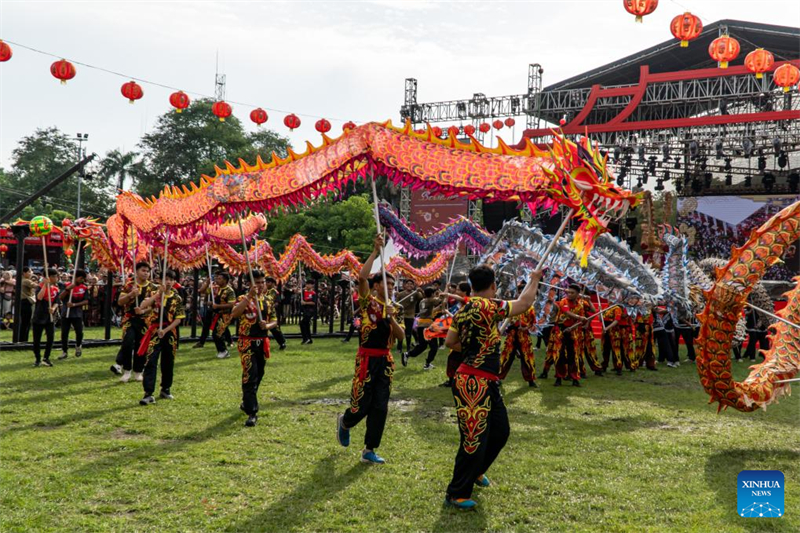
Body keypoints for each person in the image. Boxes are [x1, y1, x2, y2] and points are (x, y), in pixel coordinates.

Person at [443, 264, 541, 510]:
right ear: (493, 285)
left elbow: (450, 342)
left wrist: (476, 347)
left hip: (483, 379)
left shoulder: (462, 310)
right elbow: (524, 303)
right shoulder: (490, 306)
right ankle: (456, 493)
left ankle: (476, 471)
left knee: (500, 430)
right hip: (473, 382)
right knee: (473, 438)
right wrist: (535, 279)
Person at [336, 234, 404, 465]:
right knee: (362, 405)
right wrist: (375, 251)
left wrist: (392, 318)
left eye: (393, 285)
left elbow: (401, 336)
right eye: (387, 283)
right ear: (376, 286)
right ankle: (345, 422)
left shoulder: (394, 308)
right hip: (366, 360)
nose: (391, 287)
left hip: (385, 362)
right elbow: (362, 277)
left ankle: (369, 449)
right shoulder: (368, 303)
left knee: (380, 407)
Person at [230, 270, 278, 427]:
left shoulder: (268, 300)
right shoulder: (242, 299)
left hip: (262, 342)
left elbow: (274, 320)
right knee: (250, 375)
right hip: (247, 343)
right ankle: (252, 412)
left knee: (259, 374)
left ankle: (247, 402)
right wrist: (249, 297)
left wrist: (267, 326)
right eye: (257, 282)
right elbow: (234, 314)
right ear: (249, 284)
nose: (261, 285)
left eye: (262, 282)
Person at [137, 269, 185, 405]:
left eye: (170, 279)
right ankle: (148, 393)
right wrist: (158, 294)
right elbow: (143, 305)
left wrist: (165, 330)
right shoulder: (154, 294)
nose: (168, 282)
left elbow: (178, 319)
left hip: (169, 332)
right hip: (154, 332)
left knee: (168, 362)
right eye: (165, 279)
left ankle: (165, 388)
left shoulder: (177, 298)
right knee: (151, 361)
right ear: (159, 281)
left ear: (174, 282)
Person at [111, 262, 157, 382]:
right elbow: (120, 302)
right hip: (130, 319)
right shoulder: (129, 285)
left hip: (145, 321)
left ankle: (138, 371)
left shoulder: (152, 287)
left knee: (141, 346)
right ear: (136, 271)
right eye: (143, 270)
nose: (146, 273)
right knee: (127, 342)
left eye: (147, 271)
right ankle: (127, 370)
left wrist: (143, 311)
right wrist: (131, 294)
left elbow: (154, 306)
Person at [546, 284, 588, 387]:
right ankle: (559, 378)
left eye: (572, 293)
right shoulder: (563, 301)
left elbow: (580, 322)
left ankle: (574, 378)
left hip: (572, 331)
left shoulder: (580, 305)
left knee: (573, 355)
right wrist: (580, 317)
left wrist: (575, 326)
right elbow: (567, 312)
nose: (569, 294)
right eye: (568, 292)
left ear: (578, 294)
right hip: (560, 331)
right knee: (559, 354)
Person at [498, 283, 539, 388]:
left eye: (523, 293)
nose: (521, 294)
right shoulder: (512, 306)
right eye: (519, 292)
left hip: (524, 336)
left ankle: (531, 380)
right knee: (506, 356)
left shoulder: (530, 308)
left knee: (527, 357)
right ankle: (498, 378)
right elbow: (505, 318)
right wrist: (510, 322)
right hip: (512, 335)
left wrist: (525, 328)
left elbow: (532, 323)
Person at [440, 281, 471, 388]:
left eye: (458, 289)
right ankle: (454, 380)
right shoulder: (461, 305)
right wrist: (447, 311)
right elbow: (456, 318)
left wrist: (448, 294)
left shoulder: (469, 301)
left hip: (465, 335)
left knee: (456, 358)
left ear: (465, 292)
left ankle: (455, 380)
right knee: (454, 358)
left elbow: (462, 299)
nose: (456, 291)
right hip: (459, 334)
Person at [402, 286, 441, 369]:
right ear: (432, 294)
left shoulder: (422, 301)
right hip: (428, 327)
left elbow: (430, 310)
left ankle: (408, 354)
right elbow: (440, 300)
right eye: (434, 293)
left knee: (422, 346)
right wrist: (446, 290)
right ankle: (427, 364)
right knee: (434, 347)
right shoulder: (431, 300)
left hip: (421, 326)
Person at [58, 269, 88, 360]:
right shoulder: (66, 285)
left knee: (79, 332)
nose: (82, 280)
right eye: (81, 278)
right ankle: (64, 351)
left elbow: (86, 301)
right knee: (64, 333)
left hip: (77, 313)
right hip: (65, 313)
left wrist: (74, 304)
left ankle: (78, 346)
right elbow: (60, 297)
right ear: (76, 277)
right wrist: (67, 289)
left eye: (83, 278)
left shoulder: (84, 287)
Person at [32, 268, 60, 367]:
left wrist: (53, 308)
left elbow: (57, 301)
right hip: (39, 316)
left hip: (49, 317)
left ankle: (46, 358)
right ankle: (37, 359)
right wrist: (45, 285)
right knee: (37, 340)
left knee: (50, 338)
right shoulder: (39, 287)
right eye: (55, 276)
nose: (56, 278)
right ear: (49, 277)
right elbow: (39, 297)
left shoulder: (56, 289)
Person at [602, 304, 634, 375]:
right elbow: (601, 318)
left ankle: (620, 366)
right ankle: (605, 366)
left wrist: (607, 328)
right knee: (605, 348)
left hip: (616, 330)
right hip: (606, 330)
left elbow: (619, 318)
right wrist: (601, 312)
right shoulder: (606, 307)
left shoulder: (618, 307)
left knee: (619, 349)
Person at [210, 272, 236, 358]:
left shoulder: (230, 290)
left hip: (226, 315)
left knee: (217, 333)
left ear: (225, 280)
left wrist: (217, 306)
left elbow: (231, 304)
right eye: (217, 278)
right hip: (218, 314)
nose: (217, 280)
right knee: (217, 333)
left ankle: (223, 351)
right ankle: (222, 350)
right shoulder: (218, 289)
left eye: (219, 279)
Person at [395, 279, 421, 351]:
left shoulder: (415, 293)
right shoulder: (400, 294)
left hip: (410, 316)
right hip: (401, 316)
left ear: (413, 286)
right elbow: (396, 304)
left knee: (408, 333)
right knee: (400, 331)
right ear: (405, 285)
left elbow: (421, 297)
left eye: (411, 284)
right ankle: (399, 348)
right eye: (408, 284)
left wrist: (420, 291)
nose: (409, 285)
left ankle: (408, 348)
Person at [264, 276, 287, 350]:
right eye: (266, 282)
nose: (266, 283)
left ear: (273, 283)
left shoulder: (274, 291)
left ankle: (282, 342)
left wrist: (271, 307)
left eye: (268, 282)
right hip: (264, 311)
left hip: (271, 312)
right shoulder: (265, 291)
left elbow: (277, 302)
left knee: (274, 329)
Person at [19, 267, 37, 342]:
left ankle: (23, 339)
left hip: (24, 302)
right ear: (24, 273)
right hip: (25, 302)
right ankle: (23, 339)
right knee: (26, 322)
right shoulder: (26, 281)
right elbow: (36, 286)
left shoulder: (22, 280)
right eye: (29, 272)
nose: (31, 273)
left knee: (25, 322)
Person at [299, 279, 317, 345]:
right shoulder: (304, 292)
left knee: (302, 323)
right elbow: (297, 291)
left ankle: (305, 338)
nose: (307, 285)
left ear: (312, 285)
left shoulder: (313, 293)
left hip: (310, 310)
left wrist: (305, 303)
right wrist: (299, 284)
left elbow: (314, 303)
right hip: (305, 310)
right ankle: (309, 339)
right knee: (306, 324)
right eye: (307, 284)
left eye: (309, 284)